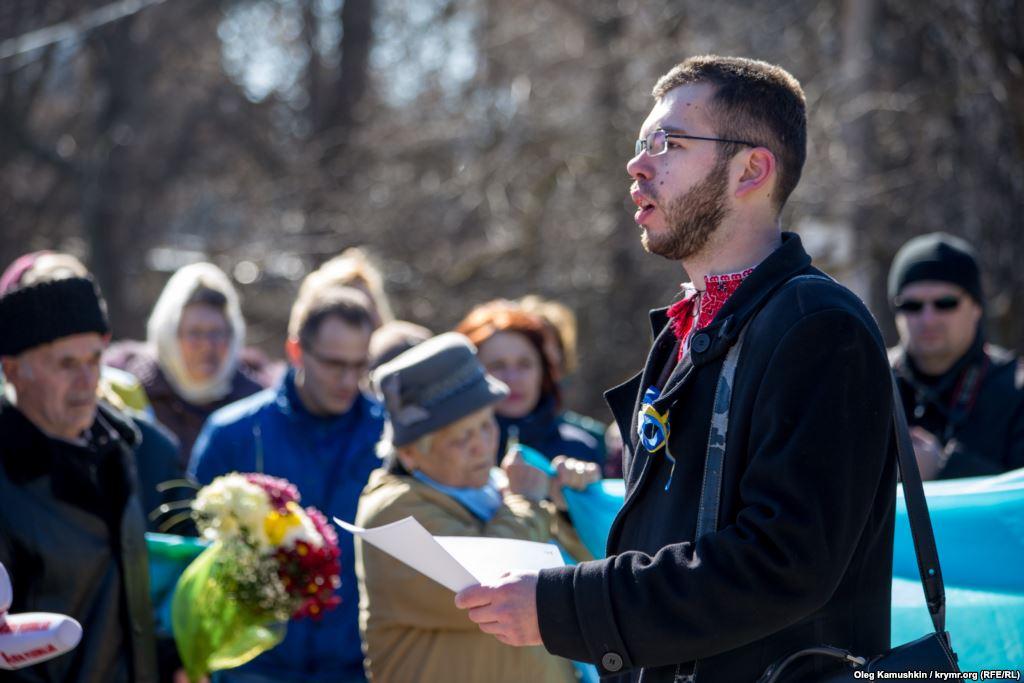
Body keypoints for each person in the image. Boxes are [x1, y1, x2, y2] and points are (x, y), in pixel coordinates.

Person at [456, 55, 898, 682]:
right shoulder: (683, 332)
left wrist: (562, 606)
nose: (638, 164)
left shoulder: (819, 326)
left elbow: (782, 564)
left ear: (752, 169)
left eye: (670, 143)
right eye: (642, 143)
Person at [355, 333, 589, 683]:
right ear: (408, 453)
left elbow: (584, 573)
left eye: (485, 425)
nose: (481, 446)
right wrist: (527, 501)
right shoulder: (390, 514)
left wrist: (572, 504)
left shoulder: (494, 487)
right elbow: (497, 586)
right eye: (460, 438)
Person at [188, 285, 385, 683]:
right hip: (250, 666)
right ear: (296, 351)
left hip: (355, 666)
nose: (349, 380)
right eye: (334, 364)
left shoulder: (390, 438)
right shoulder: (235, 433)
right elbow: (191, 553)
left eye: (359, 365)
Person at [0, 275, 159, 682]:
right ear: (14, 370)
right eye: (67, 364)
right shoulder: (7, 472)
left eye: (94, 360)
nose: (88, 381)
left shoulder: (120, 449)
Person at [888, 232, 1024, 480]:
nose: (928, 319)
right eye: (911, 305)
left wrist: (945, 469)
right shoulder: (866, 381)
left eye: (946, 303)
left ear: (976, 308)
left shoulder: (1016, 390)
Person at [106, 262, 265, 465]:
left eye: (217, 333)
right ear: (170, 334)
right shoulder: (132, 394)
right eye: (195, 333)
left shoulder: (252, 402)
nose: (207, 345)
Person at [456, 300, 605, 468]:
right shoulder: (452, 449)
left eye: (524, 364)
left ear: (544, 371)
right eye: (497, 366)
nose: (512, 378)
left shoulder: (580, 450)